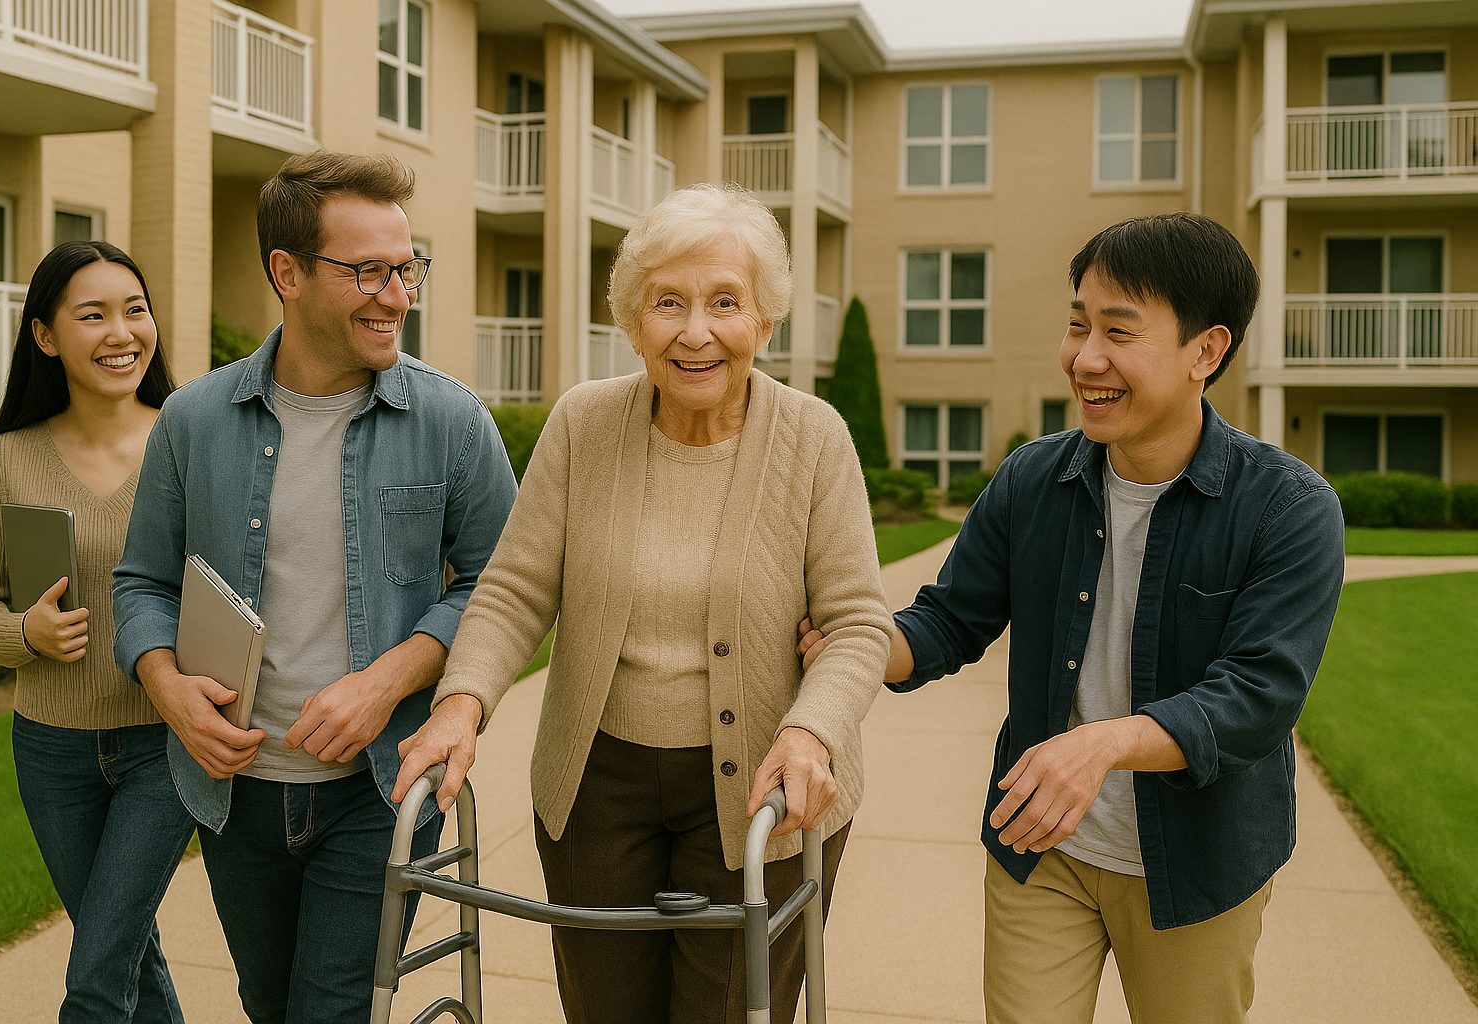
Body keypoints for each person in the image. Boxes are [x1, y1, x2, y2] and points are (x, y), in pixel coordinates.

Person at [801, 212, 1344, 1024]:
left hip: (1195, 868)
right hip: (1040, 851)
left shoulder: (1288, 509)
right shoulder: (1032, 480)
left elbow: (1256, 699)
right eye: (1077, 325)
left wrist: (1103, 744)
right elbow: (950, 620)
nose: (1086, 358)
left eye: (1119, 332)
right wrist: (855, 641)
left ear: (1207, 351)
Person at [394, 182, 892, 1024]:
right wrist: (460, 704)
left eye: (724, 303)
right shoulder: (584, 423)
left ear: (764, 322)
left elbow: (855, 621)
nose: (695, 332)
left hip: (762, 787)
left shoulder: (813, 438)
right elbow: (514, 589)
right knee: (605, 1010)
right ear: (633, 321)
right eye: (669, 302)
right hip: (599, 781)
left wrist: (813, 731)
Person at [110, 151, 517, 1024]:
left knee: (329, 1012)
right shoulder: (192, 420)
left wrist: (389, 680)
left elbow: (505, 588)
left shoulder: (451, 421)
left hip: (377, 792)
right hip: (235, 794)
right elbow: (141, 582)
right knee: (270, 1004)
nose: (398, 293)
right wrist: (166, 686)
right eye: (368, 270)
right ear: (285, 273)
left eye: (406, 268)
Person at [0, 241, 193, 1023]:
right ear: (46, 336)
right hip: (50, 749)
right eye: (93, 315)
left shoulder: (186, 443)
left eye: (135, 309)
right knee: (127, 952)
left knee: (96, 973)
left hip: (163, 744)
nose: (122, 331)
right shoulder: (10, 459)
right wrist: (26, 632)